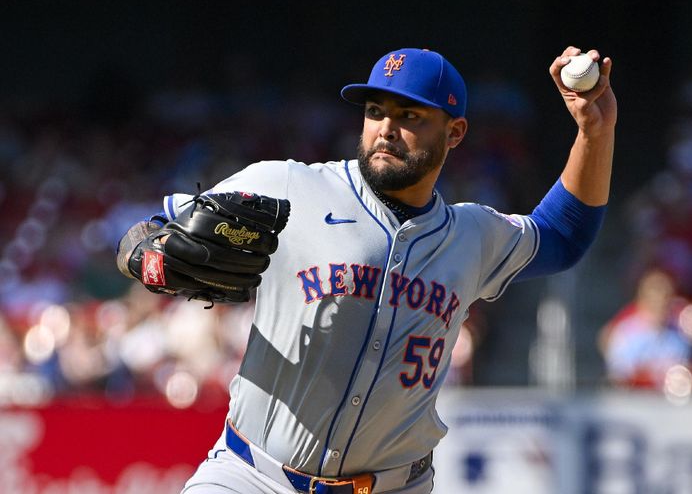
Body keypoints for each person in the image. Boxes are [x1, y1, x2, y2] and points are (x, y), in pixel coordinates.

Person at [116, 46, 616, 493]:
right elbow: (149, 232)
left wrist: (595, 131)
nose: (385, 129)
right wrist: (149, 256)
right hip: (253, 476)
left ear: (455, 131)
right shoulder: (289, 185)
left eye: (409, 114)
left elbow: (563, 236)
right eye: (375, 111)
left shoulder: (474, 235)